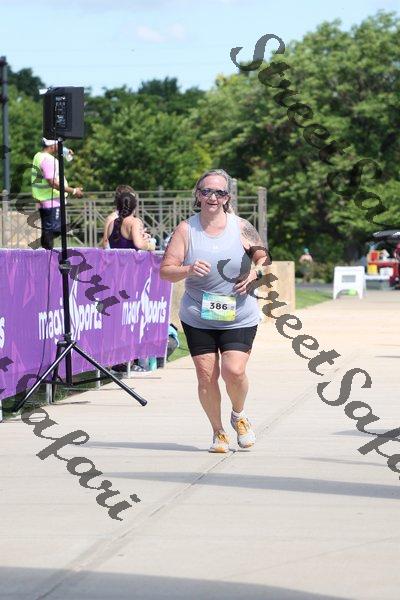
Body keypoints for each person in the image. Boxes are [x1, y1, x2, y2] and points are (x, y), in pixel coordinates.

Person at [160, 169, 270, 453]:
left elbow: (263, 257)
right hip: (199, 315)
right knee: (206, 375)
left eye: (219, 192)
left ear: (227, 197)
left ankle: (239, 415)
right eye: (206, 191)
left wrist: (256, 272)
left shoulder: (241, 226)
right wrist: (187, 269)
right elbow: (166, 271)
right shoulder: (186, 230)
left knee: (234, 371)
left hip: (239, 313)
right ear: (197, 195)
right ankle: (218, 432)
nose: (212, 197)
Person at [31, 138, 83, 250]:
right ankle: (44, 247)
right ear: (52, 146)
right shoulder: (49, 160)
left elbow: (55, 147)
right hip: (52, 200)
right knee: (55, 230)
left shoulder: (38, 156)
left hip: (43, 199)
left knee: (49, 229)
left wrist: (65, 151)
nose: (59, 146)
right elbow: (53, 183)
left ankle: (45, 250)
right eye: (58, 145)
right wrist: (73, 191)